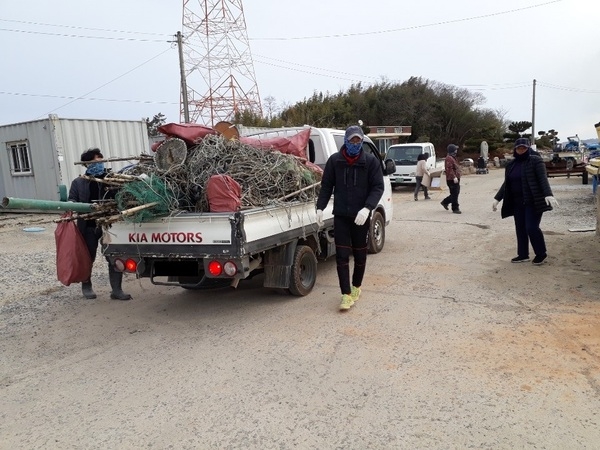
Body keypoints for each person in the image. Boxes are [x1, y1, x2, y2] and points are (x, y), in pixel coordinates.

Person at [316, 125, 384, 311]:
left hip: (360, 217)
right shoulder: (335, 161)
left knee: (360, 254)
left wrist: (367, 208)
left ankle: (356, 286)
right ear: (346, 140)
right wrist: (320, 208)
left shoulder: (370, 162)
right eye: (352, 140)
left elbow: (378, 187)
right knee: (342, 256)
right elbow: (326, 186)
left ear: (361, 141)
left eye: (358, 140)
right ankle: (345, 294)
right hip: (341, 217)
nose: (355, 143)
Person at [68, 148, 132, 300]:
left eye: (101, 159)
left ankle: (116, 290)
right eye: (96, 159)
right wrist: (71, 205)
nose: (100, 162)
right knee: (88, 256)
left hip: (110, 226)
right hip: (89, 225)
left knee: (113, 255)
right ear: (87, 164)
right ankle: (86, 286)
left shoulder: (112, 179)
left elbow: (122, 197)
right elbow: (72, 199)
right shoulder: (79, 182)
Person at [492, 137, 559, 265]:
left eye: (524, 148)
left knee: (531, 227)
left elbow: (542, 179)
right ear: (515, 149)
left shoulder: (536, 161)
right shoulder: (511, 165)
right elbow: (507, 183)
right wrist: (497, 198)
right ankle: (523, 254)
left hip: (533, 201)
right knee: (520, 228)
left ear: (528, 148)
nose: (521, 150)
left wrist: (548, 194)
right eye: (519, 148)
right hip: (517, 202)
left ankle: (541, 253)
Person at [440, 144, 462, 214]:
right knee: (455, 193)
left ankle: (445, 202)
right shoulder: (449, 158)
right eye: (455, 149)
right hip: (451, 179)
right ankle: (455, 208)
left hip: (456, 178)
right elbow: (449, 169)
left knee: (455, 193)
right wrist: (454, 177)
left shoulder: (453, 157)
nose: (456, 151)